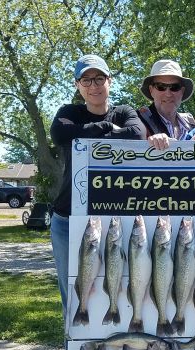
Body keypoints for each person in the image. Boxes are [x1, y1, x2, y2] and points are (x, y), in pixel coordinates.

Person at [49, 54, 146, 309]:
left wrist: (86, 132)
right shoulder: (69, 112)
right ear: (77, 85)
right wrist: (108, 129)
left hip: (113, 220)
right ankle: (75, 345)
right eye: (86, 80)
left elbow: (137, 134)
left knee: (118, 288)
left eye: (99, 78)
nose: (94, 86)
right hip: (67, 219)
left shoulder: (124, 111)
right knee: (74, 294)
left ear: (109, 81)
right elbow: (59, 133)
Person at [137, 59, 195, 150]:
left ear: (182, 91)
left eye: (174, 87)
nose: (168, 94)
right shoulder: (137, 122)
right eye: (161, 87)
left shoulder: (194, 126)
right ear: (151, 90)